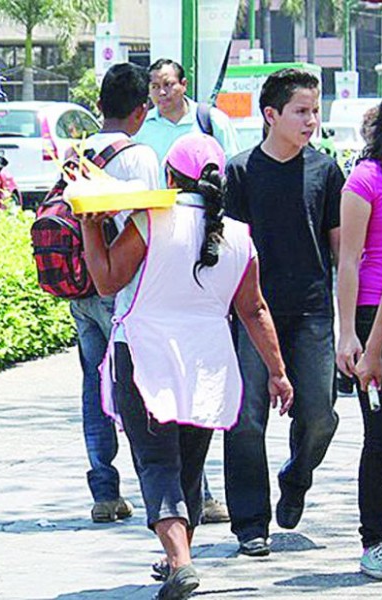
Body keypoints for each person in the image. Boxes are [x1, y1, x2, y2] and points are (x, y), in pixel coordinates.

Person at [81, 132, 292, 599]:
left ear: (170, 178)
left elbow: (105, 280)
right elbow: (254, 310)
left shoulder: (152, 221)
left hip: (143, 353)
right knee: (189, 465)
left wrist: (90, 227)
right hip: (209, 359)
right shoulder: (238, 236)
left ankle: (179, 562)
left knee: (156, 461)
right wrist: (277, 372)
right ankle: (180, 556)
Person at [223, 68, 343, 557]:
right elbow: (228, 250)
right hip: (254, 312)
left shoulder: (326, 170)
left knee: (321, 416)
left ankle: (296, 477)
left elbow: (340, 251)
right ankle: (251, 523)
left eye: (315, 110)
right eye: (301, 111)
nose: (311, 120)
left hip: (313, 312)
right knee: (247, 421)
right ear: (270, 115)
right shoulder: (239, 171)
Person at [135, 57, 236, 524]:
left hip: (166, 320)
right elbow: (253, 310)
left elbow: (109, 278)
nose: (160, 92)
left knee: (168, 449)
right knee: (181, 437)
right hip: (189, 315)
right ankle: (185, 534)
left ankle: (179, 547)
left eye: (167, 84)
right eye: (153, 85)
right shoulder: (145, 129)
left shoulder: (209, 121)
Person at [69, 62, 159, 523]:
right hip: (121, 288)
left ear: (100, 105)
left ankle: (104, 491)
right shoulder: (139, 155)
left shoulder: (77, 153)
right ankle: (169, 488)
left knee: (93, 387)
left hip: (80, 290)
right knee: (143, 388)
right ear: (141, 111)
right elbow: (151, 224)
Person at [335, 93, 382, 580]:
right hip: (374, 314)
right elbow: (348, 259)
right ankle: (375, 539)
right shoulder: (366, 178)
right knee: (380, 436)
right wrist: (349, 333)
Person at [135, 58, 240, 172]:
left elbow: (232, 168)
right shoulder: (141, 126)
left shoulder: (212, 120)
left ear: (184, 84)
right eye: (155, 87)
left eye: (168, 85)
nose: (162, 93)